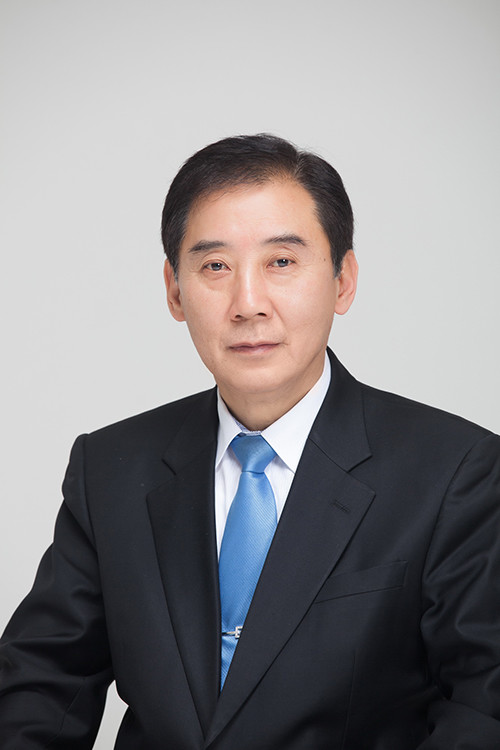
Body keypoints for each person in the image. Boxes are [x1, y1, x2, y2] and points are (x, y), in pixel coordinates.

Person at [0, 134, 499, 749]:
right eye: (215, 266)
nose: (248, 303)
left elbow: (484, 705)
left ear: (343, 281)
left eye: (281, 262)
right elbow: (39, 683)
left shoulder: (456, 471)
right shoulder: (109, 469)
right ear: (174, 289)